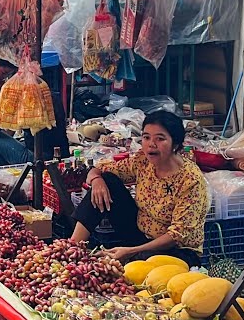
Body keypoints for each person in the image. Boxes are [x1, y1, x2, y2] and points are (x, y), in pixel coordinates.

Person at [69, 110, 209, 266]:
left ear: (175, 144)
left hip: (176, 250)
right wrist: (96, 180)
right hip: (141, 235)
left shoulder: (190, 180)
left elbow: (176, 235)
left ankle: (129, 257)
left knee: (136, 264)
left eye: (160, 139)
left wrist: (130, 251)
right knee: (107, 180)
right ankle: (72, 248)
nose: (151, 144)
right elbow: (100, 169)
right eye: (146, 137)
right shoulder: (142, 161)